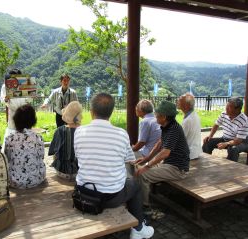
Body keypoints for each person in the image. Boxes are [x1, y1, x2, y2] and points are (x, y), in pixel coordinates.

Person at [74, 93, 154, 239]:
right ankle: (138, 228)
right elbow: (130, 159)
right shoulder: (121, 134)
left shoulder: (79, 132)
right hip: (111, 197)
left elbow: (79, 157)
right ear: (111, 112)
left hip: (83, 192)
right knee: (135, 185)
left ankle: (137, 226)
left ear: (91, 112)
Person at [135, 101, 190, 214]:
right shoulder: (167, 126)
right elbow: (159, 144)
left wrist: (147, 166)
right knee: (137, 166)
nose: (155, 117)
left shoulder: (174, 129)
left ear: (164, 117)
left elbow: (165, 153)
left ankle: (145, 207)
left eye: (156, 115)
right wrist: (146, 160)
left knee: (143, 174)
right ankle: (142, 197)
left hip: (178, 169)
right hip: (169, 164)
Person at [4, 104, 46, 189]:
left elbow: (7, 157)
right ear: (33, 120)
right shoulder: (38, 138)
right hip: (36, 179)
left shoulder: (9, 138)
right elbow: (41, 156)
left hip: (14, 181)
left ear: (15, 120)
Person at [202, 97, 248, 162]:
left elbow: (238, 141)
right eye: (226, 106)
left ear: (237, 109)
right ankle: (205, 162)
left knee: (233, 148)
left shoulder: (244, 120)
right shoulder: (224, 114)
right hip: (225, 138)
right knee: (207, 142)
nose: (226, 108)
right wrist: (210, 136)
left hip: (242, 142)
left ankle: (230, 168)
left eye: (229, 107)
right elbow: (216, 125)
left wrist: (227, 144)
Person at [48, 101, 82, 180]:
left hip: (61, 171)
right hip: (78, 172)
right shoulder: (83, 131)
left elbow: (52, 150)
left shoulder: (59, 130)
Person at [0, 68, 33, 147]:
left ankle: (25, 149)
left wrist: (31, 95)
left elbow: (29, 99)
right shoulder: (5, 86)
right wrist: (5, 99)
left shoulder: (25, 85)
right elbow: (2, 99)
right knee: (12, 131)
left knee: (25, 131)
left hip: (24, 112)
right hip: (13, 112)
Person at [177, 93, 202, 160]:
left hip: (189, 154)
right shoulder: (194, 115)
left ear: (186, 105)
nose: (177, 101)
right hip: (195, 152)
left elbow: (179, 140)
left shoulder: (188, 120)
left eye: (180, 100)